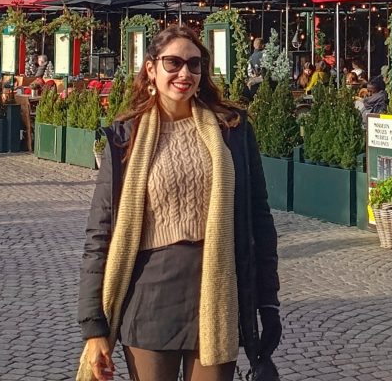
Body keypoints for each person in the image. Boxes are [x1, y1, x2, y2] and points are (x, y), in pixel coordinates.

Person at [77, 24, 281, 381]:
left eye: (194, 64)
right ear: (151, 69)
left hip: (217, 289)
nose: (185, 73)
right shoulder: (126, 137)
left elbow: (259, 220)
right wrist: (94, 326)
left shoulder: (232, 130)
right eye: (173, 63)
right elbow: (100, 234)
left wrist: (268, 302)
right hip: (150, 293)